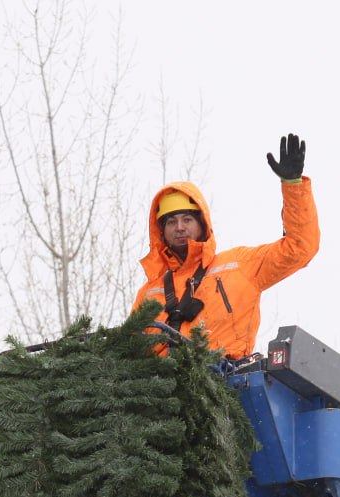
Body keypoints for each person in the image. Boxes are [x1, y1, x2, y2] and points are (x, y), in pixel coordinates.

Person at [131, 133, 320, 360]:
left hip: (224, 376)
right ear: (161, 231)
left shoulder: (239, 265)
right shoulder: (150, 292)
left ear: (202, 224)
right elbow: (127, 351)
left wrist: (293, 186)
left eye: (187, 219)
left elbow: (299, 249)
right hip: (162, 380)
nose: (179, 227)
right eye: (171, 222)